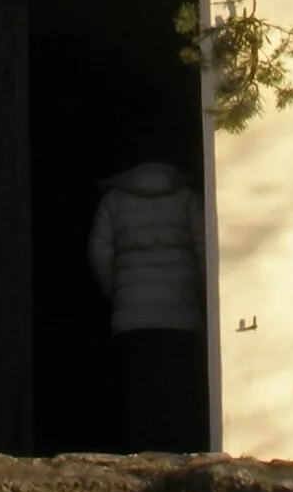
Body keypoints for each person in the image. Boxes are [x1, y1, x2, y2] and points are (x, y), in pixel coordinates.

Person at [87, 159, 208, 453]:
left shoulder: (113, 201)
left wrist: (120, 293)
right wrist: (201, 295)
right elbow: (207, 250)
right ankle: (179, 459)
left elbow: (99, 253)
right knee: (176, 394)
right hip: (182, 315)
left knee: (139, 397)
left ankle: (140, 459)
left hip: (132, 317)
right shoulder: (188, 199)